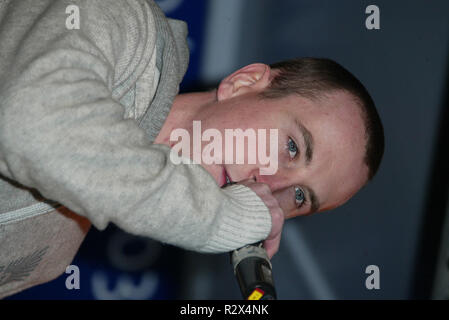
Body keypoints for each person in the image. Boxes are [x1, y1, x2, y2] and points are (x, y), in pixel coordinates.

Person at [0, 0, 384, 298]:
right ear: (244, 82)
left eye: (299, 196)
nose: (267, 181)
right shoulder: (124, 25)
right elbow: (30, 122)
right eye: (291, 147)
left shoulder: (56, 251)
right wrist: (214, 219)